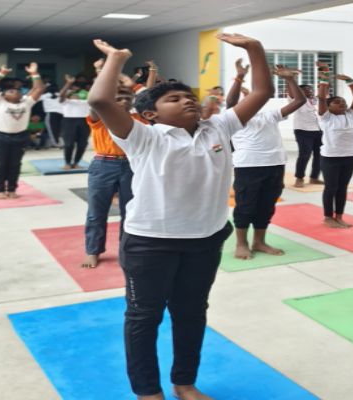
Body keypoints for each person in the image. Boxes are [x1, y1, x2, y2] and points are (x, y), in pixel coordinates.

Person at [87, 32, 273, 400]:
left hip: (205, 241)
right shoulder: (143, 136)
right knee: (144, 317)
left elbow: (262, 93)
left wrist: (255, 49)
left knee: (191, 313)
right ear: (150, 114)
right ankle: (148, 392)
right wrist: (116, 58)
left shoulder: (218, 127)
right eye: (173, 99)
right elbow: (100, 100)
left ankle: (185, 383)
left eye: (189, 97)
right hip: (149, 244)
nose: (187, 100)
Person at [226, 60, 306, 260]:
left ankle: (259, 242)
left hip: (275, 165)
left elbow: (299, 101)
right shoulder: (235, 118)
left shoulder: (269, 115)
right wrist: (239, 77)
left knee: (267, 206)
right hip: (248, 167)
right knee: (245, 206)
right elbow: (230, 102)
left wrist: (289, 80)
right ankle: (241, 243)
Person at [81, 57, 146, 269]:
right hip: (103, 165)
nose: (124, 101)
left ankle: (125, 250)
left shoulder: (139, 120)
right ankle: (93, 250)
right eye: (118, 98)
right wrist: (102, 72)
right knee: (96, 211)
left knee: (130, 212)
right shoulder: (100, 117)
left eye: (127, 97)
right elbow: (96, 99)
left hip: (132, 166)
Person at [0, 62, 44, 199]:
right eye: (11, 91)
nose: (15, 92)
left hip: (20, 137)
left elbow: (39, 88)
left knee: (15, 165)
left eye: (17, 91)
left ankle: (12, 190)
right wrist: (2, 73)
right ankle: (0, 191)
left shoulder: (26, 102)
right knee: (0, 165)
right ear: (3, 95)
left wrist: (34, 73)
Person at [317, 64, 353, 229]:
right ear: (329, 107)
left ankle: (340, 216)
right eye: (337, 102)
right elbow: (321, 99)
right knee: (331, 187)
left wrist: (351, 82)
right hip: (331, 158)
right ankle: (328, 217)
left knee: (342, 188)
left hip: (349, 157)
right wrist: (324, 79)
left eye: (343, 101)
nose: (342, 103)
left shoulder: (350, 115)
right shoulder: (326, 118)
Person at [290, 83, 323, 188]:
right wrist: (289, 80)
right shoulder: (296, 100)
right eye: (306, 90)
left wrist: (324, 81)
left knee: (320, 155)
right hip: (303, 131)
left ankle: (314, 177)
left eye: (310, 89)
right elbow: (290, 92)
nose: (310, 91)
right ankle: (299, 178)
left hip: (318, 130)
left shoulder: (314, 101)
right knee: (305, 155)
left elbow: (322, 95)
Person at [60, 74, 91, 170]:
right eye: (72, 90)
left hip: (84, 121)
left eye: (77, 90)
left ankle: (76, 163)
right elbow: (61, 95)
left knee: (82, 144)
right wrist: (68, 83)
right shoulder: (66, 101)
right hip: (69, 121)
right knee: (68, 144)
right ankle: (67, 163)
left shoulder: (86, 101)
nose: (75, 94)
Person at [40, 82, 63, 148]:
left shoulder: (44, 96)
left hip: (51, 114)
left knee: (52, 130)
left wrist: (42, 89)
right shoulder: (60, 94)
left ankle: (55, 143)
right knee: (60, 129)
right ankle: (61, 142)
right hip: (61, 114)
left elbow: (36, 98)